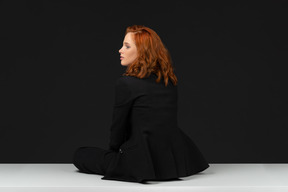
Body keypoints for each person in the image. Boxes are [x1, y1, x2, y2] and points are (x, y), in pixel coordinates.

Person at [73, 25, 210, 183]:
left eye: (127, 46)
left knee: (80, 154)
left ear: (142, 51)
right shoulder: (170, 82)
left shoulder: (126, 83)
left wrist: (114, 155)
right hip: (171, 161)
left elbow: (118, 127)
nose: (120, 50)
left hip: (139, 161)